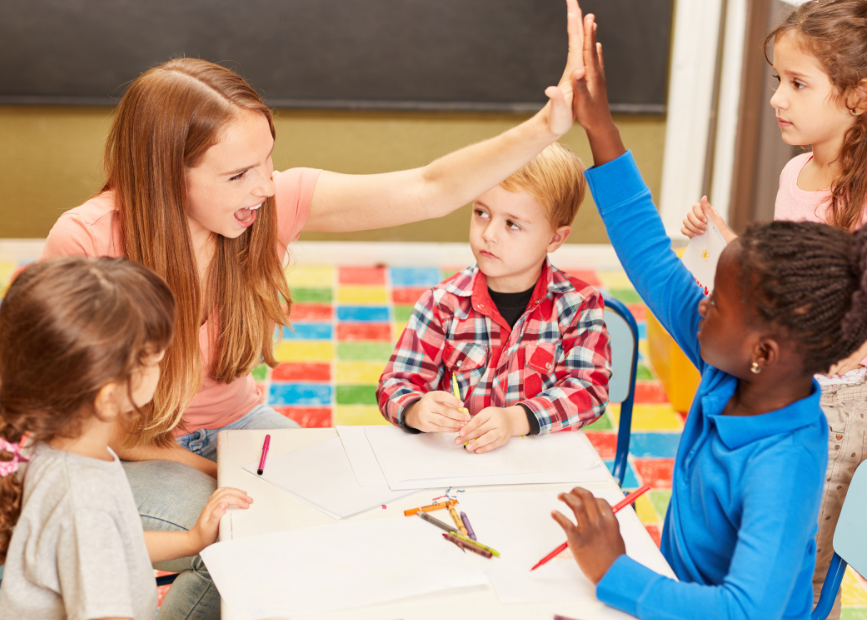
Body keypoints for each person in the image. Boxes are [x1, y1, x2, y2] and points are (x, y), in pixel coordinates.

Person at [40, 2, 590, 615]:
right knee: (248, 537)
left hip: (236, 431)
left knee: (344, 520)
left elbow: (430, 187)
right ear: (169, 175)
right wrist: (220, 470)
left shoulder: (263, 208)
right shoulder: (86, 242)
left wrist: (547, 127)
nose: (266, 186)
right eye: (240, 174)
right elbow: (77, 423)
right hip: (123, 451)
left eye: (269, 161)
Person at [549, 9, 867, 618]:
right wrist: (599, 125)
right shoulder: (735, 367)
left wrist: (616, 573)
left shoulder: (785, 460)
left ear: (763, 350)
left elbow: (747, 611)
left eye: (716, 301)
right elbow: (653, 263)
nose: (700, 302)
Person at [679, 2, 867, 612]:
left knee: (803, 570)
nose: (779, 98)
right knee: (753, 544)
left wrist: (862, 335)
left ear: (859, 96)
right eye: (778, 79)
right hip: (789, 380)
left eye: (798, 84)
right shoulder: (795, 174)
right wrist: (726, 246)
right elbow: (788, 283)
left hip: (846, 401)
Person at [0, 258, 252, 620]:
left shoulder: (61, 446)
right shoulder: (84, 501)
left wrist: (193, 540)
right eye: (154, 361)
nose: (163, 369)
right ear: (108, 396)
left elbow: (120, 543)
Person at [376, 142, 610, 453]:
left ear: (555, 238)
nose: (489, 234)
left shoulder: (579, 306)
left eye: (512, 224)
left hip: (541, 464)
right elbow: (395, 384)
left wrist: (515, 420)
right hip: (465, 463)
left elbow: (589, 390)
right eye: (482, 213)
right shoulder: (441, 304)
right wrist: (414, 409)